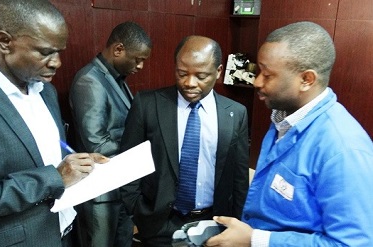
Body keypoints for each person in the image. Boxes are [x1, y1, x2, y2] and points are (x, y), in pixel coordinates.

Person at [0, 0, 108, 246]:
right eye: (46, 52)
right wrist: (53, 178)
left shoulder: (45, 91)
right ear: (5, 42)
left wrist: (78, 163)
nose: (57, 62)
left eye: (59, 51)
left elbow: (44, 155)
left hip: (66, 232)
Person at [206, 21, 373, 247]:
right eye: (258, 71)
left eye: (268, 75)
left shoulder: (343, 150)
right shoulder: (283, 118)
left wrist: (256, 240)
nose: (256, 82)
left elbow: (352, 243)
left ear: (306, 80)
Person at [119, 35, 250, 247]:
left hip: (214, 222)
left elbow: (239, 177)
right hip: (159, 223)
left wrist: (236, 222)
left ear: (218, 72)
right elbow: (128, 164)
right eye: (181, 73)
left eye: (201, 76)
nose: (189, 83)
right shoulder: (148, 105)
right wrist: (138, 210)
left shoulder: (235, 113)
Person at [69, 21, 152, 247]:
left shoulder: (117, 79)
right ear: (118, 50)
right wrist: (147, 147)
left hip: (120, 188)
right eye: (138, 59)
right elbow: (96, 143)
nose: (141, 66)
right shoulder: (90, 81)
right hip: (100, 194)